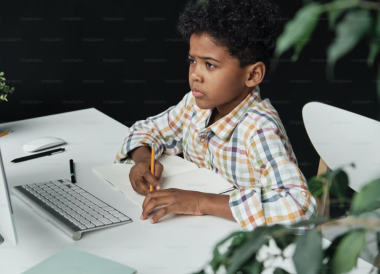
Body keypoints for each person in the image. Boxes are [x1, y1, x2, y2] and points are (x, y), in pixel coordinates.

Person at [115, 0, 318, 232]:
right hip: (197, 233)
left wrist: (201, 202)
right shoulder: (194, 105)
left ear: (253, 75)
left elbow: (300, 208)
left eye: (210, 65)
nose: (195, 75)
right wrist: (143, 160)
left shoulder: (259, 128)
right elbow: (146, 129)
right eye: (193, 61)